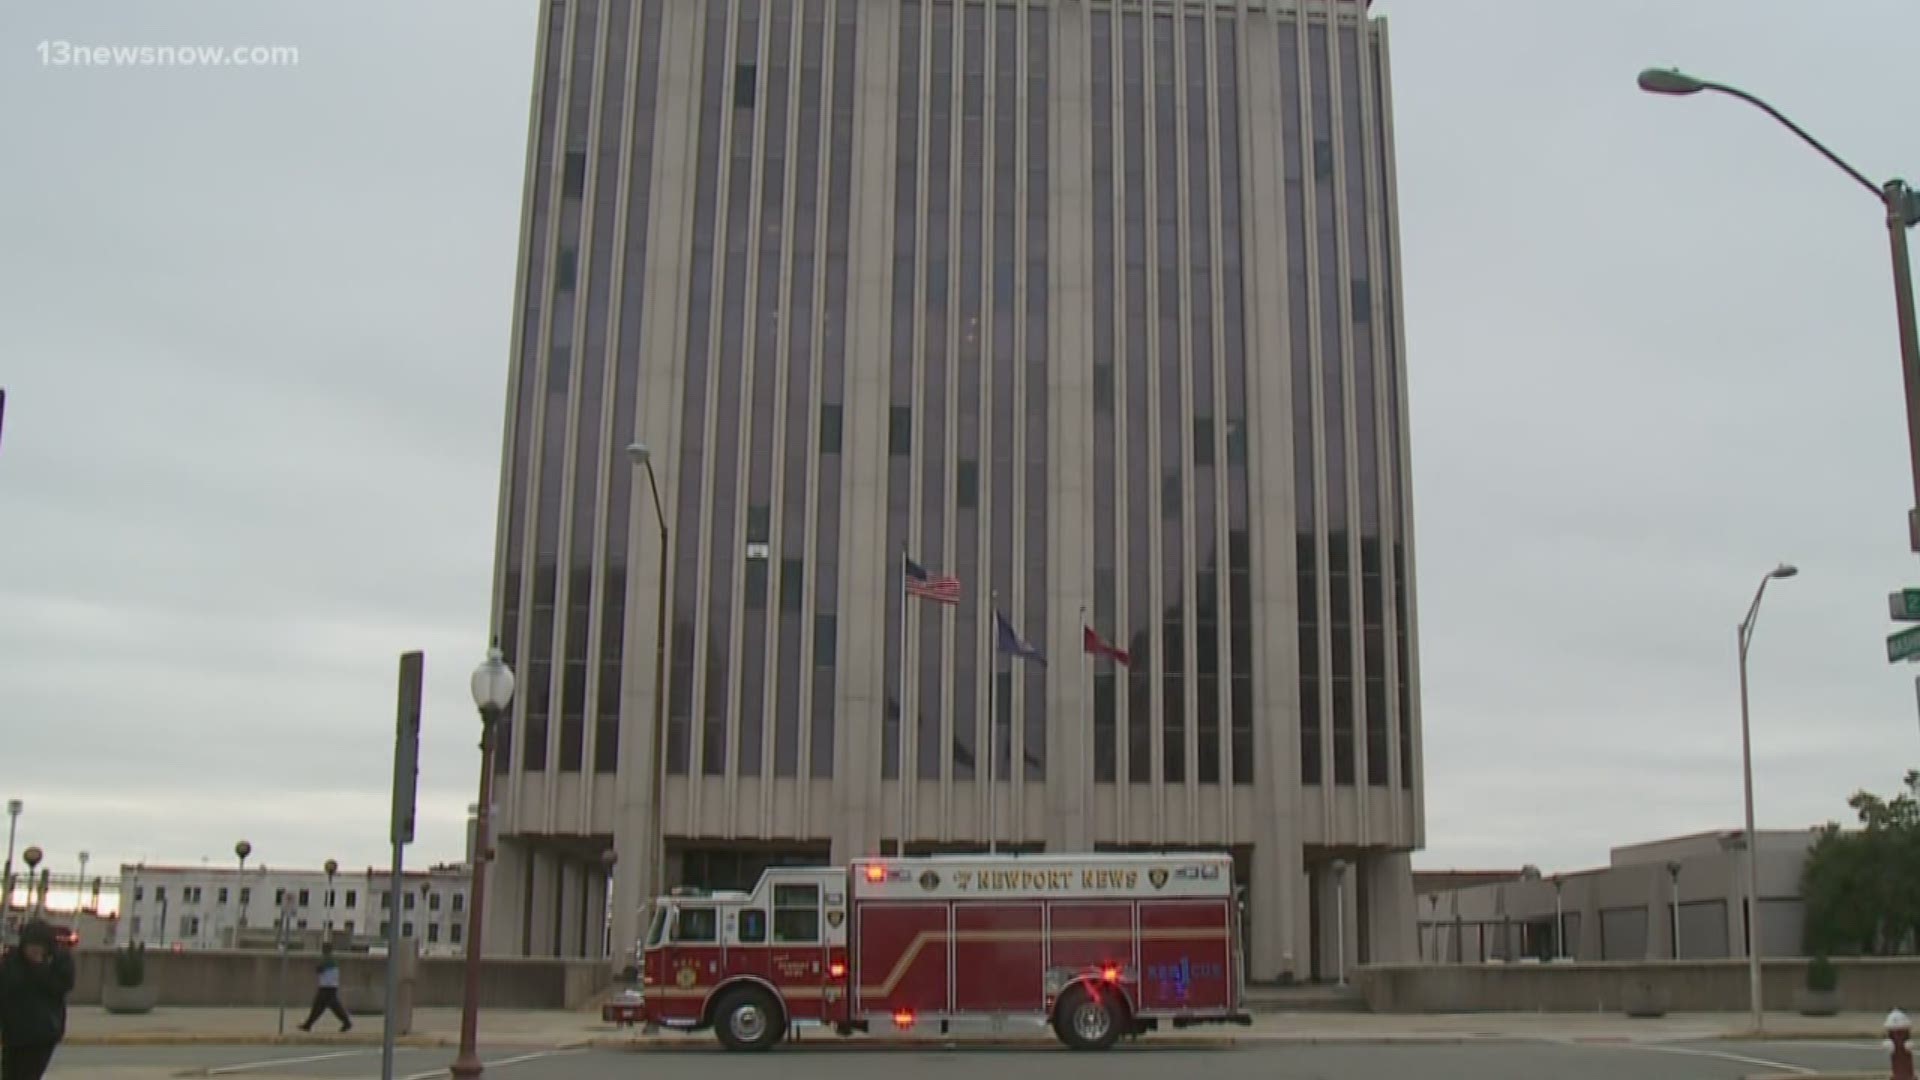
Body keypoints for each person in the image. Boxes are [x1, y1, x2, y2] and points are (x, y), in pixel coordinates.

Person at [0, 920, 75, 1080]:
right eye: (30, 946)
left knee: (29, 1074)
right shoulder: (13, 961)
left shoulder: (59, 960)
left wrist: (39, 967)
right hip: (14, 1032)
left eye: (39, 946)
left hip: (42, 1032)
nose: (33, 950)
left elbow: (61, 987)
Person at [297, 942, 351, 1033]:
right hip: (330, 986)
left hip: (327, 986)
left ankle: (347, 1022)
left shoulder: (327, 959)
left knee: (322, 1007)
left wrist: (318, 967)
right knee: (323, 1007)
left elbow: (319, 969)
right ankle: (308, 1025)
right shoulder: (332, 959)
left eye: (324, 949)